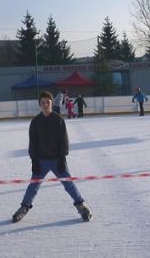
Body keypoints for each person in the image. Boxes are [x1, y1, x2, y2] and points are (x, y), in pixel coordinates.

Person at [12, 91, 92, 223]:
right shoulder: (35, 122)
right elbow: (33, 142)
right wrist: (34, 160)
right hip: (41, 160)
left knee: (68, 184)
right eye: (42, 102)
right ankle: (24, 207)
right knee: (33, 186)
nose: (45, 105)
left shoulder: (58, 120)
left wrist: (62, 157)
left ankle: (81, 205)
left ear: (51, 103)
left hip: (57, 159)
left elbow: (64, 140)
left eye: (47, 102)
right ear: (39, 104)